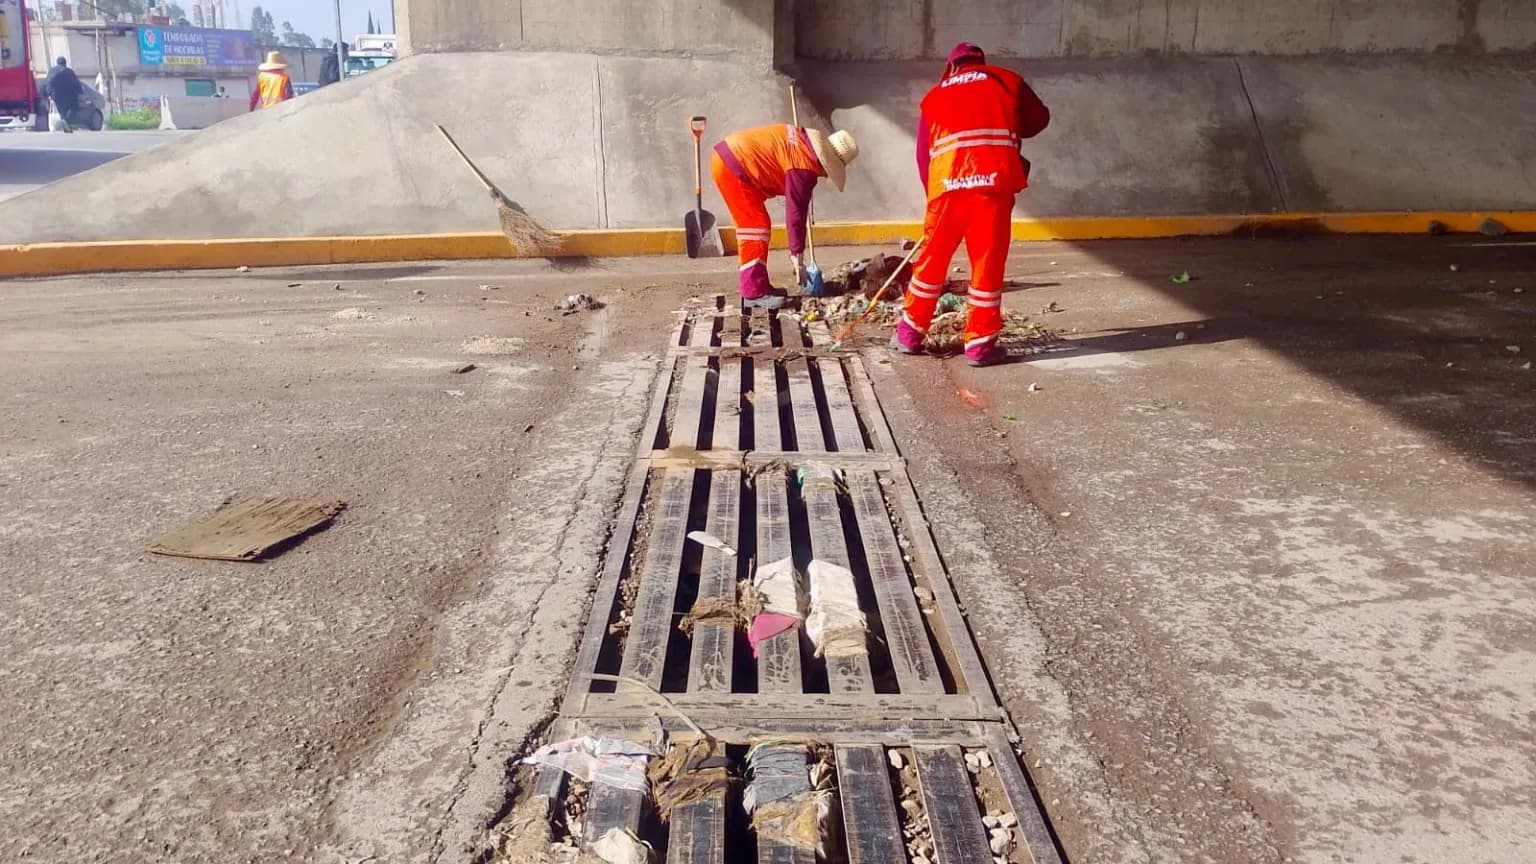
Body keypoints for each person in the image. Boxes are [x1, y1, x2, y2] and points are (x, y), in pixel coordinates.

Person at [893, 42, 1050, 367]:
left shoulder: (933, 96)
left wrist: (935, 197)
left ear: (951, 67)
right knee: (987, 263)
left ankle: (909, 334)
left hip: (947, 189)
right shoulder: (1007, 80)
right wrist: (1007, 119)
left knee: (932, 262)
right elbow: (1039, 119)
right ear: (981, 61)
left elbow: (924, 155)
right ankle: (979, 346)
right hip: (992, 186)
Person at [710, 123, 859, 309]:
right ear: (827, 162)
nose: (822, 176)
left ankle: (759, 286)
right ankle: (753, 293)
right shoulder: (804, 168)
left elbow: (798, 208)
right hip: (733, 165)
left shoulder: (803, 143)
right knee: (755, 228)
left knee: (757, 224)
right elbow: (795, 213)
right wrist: (797, 256)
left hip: (731, 157)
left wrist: (796, 251)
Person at [43, 57, 82, 133]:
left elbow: (47, 83)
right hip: (69, 95)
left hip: (56, 95)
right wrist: (80, 92)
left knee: (61, 110)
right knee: (73, 109)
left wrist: (48, 93)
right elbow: (76, 83)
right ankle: (66, 121)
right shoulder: (69, 71)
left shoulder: (51, 71)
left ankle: (65, 123)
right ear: (65, 63)